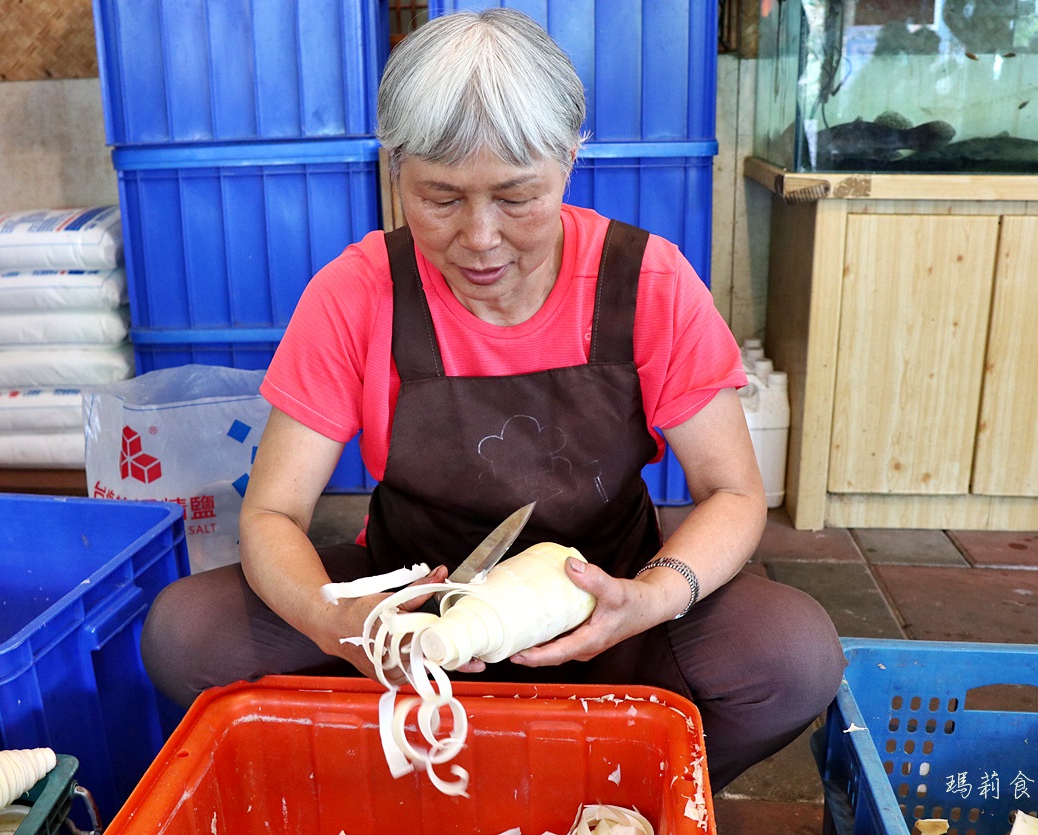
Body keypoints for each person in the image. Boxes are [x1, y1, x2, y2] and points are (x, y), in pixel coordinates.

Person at [140, 8, 845, 792]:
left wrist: (646, 597)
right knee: (188, 634)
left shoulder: (647, 283)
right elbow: (271, 514)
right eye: (441, 198)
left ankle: (612, 795)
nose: (479, 239)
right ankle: (390, 775)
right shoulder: (357, 293)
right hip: (415, 617)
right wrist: (342, 625)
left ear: (571, 158)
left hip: (602, 609)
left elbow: (735, 492)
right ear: (394, 167)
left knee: (792, 653)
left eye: (517, 198)